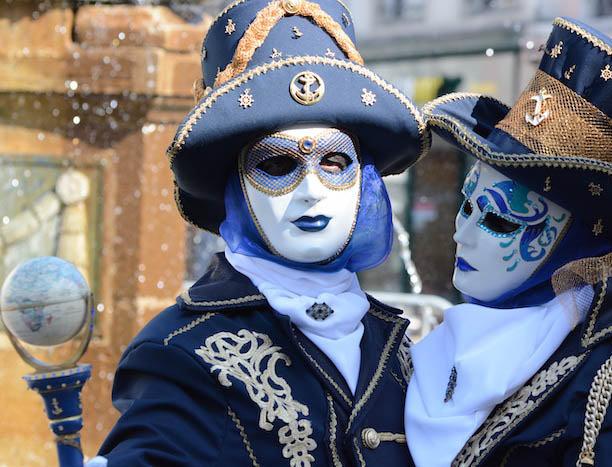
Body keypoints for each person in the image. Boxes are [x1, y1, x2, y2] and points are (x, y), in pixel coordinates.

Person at [93, 1, 429, 465]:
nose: (311, 191)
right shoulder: (183, 351)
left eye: (334, 162)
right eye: (277, 165)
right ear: (236, 187)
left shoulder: (399, 346)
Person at [406, 17, 612, 467]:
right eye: (467, 206)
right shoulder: (434, 349)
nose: (461, 233)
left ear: (578, 242)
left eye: (499, 220)